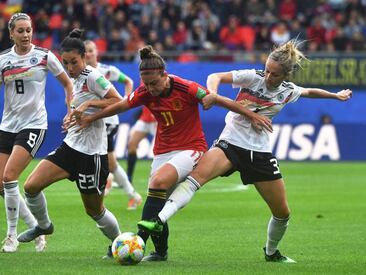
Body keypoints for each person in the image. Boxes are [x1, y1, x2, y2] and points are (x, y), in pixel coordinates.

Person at [137, 40, 353, 263]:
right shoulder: (253, 76)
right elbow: (216, 76)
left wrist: (335, 96)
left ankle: (271, 252)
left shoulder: (288, 91)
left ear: (286, 75)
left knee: (282, 213)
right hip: (229, 144)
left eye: (275, 74)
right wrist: (212, 93)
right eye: (267, 69)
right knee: (194, 179)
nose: (268, 76)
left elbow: (309, 91)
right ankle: (159, 219)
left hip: (259, 153)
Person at [68, 45, 270, 261]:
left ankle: (138, 241)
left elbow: (219, 100)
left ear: (164, 75)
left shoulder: (186, 88)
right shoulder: (144, 91)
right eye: (146, 84)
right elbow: (120, 106)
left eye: (154, 83)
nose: (150, 88)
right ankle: (160, 252)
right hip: (163, 150)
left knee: (158, 182)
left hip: (192, 148)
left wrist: (251, 115)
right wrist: (91, 118)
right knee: (157, 200)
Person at [16, 29, 122, 259]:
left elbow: (119, 101)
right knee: (31, 187)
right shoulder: (73, 79)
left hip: (92, 154)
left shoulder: (93, 76)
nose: (70, 68)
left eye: (74, 62)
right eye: (65, 63)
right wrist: (72, 115)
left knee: (94, 210)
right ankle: (44, 226)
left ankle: (119, 244)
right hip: (70, 147)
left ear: (84, 57)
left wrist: (88, 109)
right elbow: (78, 104)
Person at [0, 13, 73, 253]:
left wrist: (70, 109)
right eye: (21, 31)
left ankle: (11, 236)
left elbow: (68, 83)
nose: (26, 35)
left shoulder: (44, 57)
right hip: (8, 125)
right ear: (11, 33)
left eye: (29, 30)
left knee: (9, 177)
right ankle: (36, 227)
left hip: (34, 124)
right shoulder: (2, 60)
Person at [84, 40, 142, 210]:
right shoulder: (82, 73)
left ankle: (107, 180)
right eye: (85, 51)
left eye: (91, 50)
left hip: (108, 121)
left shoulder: (107, 71)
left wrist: (127, 99)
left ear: (96, 53)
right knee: (112, 162)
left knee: (103, 159)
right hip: (95, 120)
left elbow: (128, 81)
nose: (88, 54)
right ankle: (132, 194)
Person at [126, 106, 157, 183]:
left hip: (158, 119)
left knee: (162, 149)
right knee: (131, 145)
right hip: (144, 119)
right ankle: (129, 177)